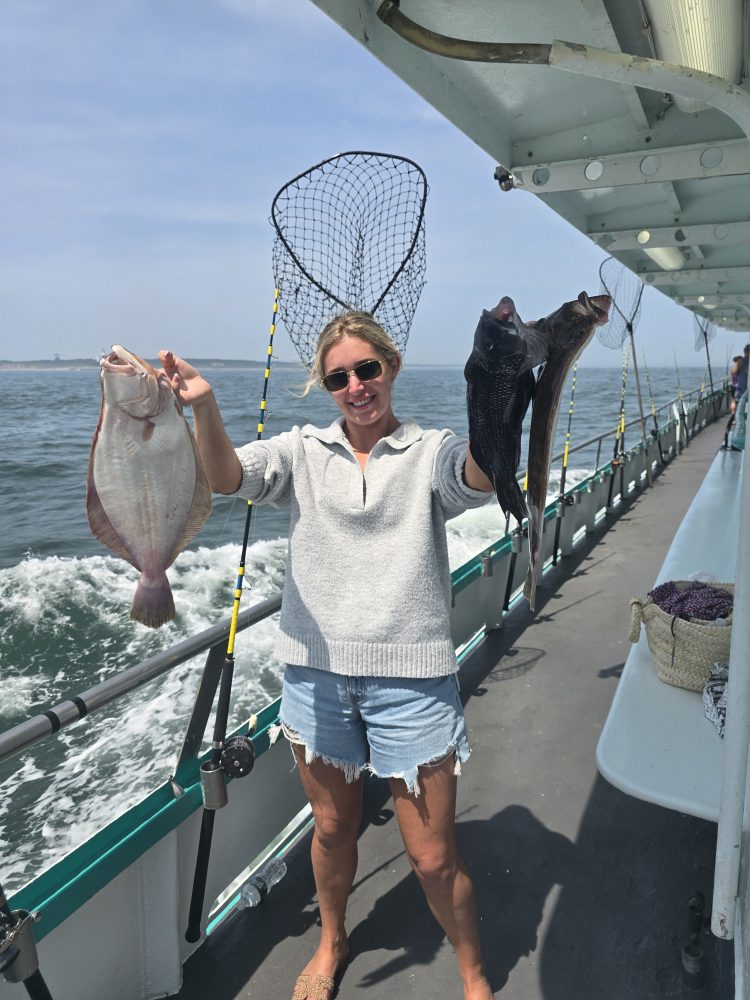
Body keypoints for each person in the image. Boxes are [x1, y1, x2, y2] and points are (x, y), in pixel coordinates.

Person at [159, 309, 498, 1000]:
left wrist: (499, 394)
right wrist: (204, 408)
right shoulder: (301, 451)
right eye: (338, 376)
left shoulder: (429, 449)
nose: (355, 386)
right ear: (327, 384)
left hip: (413, 682)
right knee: (333, 829)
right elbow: (227, 477)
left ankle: (474, 973)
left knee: (433, 859)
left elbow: (476, 479)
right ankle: (332, 940)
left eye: (366, 370)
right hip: (316, 680)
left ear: (391, 368)